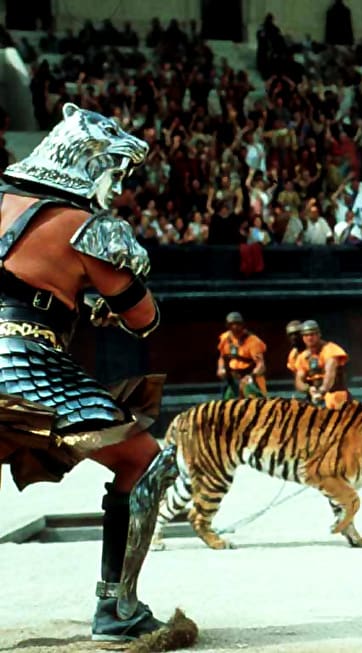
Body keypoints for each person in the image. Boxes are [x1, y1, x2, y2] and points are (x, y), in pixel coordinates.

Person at [0, 103, 195, 644]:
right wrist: (107, 302)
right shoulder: (88, 228)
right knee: (146, 462)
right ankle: (119, 609)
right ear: (90, 163)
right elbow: (144, 318)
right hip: (23, 364)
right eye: (115, 171)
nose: (117, 185)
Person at [294, 320, 350, 409]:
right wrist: (308, 389)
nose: (309, 338)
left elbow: (329, 375)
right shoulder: (303, 357)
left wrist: (321, 391)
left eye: (312, 334)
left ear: (319, 334)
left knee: (332, 401)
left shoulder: (330, 350)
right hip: (314, 397)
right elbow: (299, 381)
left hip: (335, 395)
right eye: (306, 335)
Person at [216, 312, 267, 399]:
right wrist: (221, 368)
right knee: (227, 402)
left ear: (242, 325)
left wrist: (251, 375)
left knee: (254, 402)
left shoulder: (253, 341)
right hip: (233, 379)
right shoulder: (225, 338)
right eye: (231, 324)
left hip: (249, 378)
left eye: (238, 324)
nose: (235, 327)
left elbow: (261, 365)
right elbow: (222, 357)